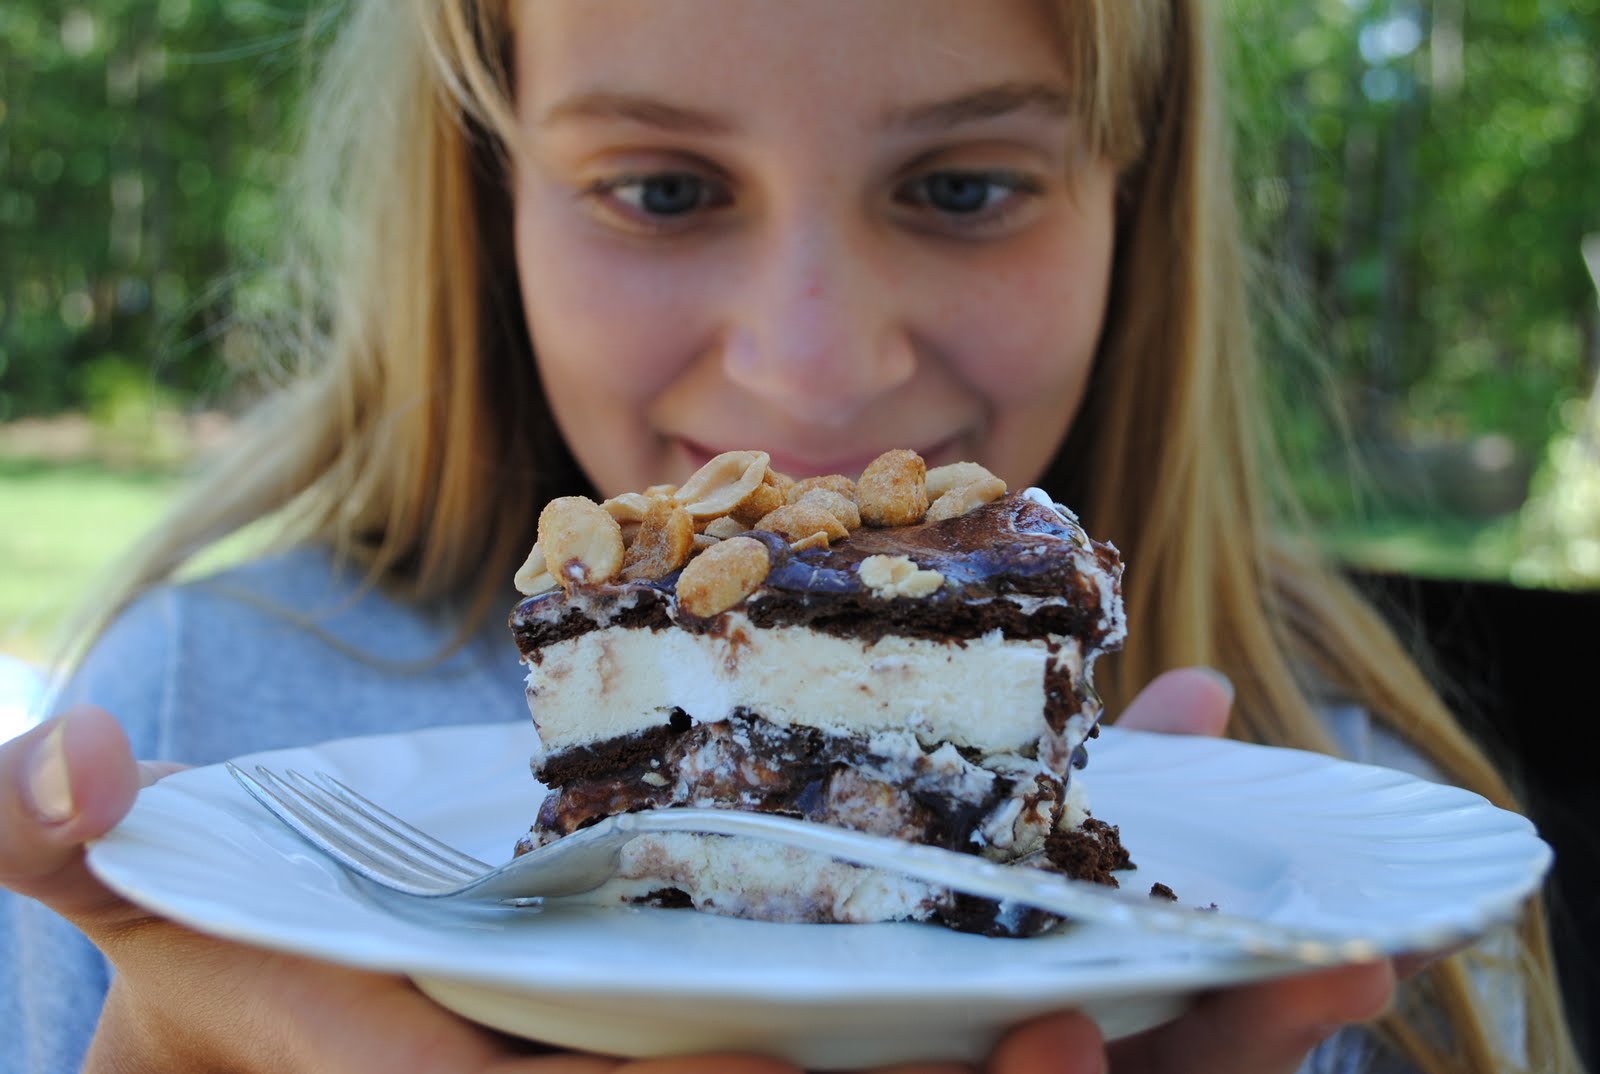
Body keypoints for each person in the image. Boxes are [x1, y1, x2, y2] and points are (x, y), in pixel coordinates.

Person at [0, 2, 1584, 1072]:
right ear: (488, 193)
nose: (814, 368)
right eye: (668, 188)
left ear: (1133, 191)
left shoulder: (1364, 854)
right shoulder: (196, 744)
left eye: (964, 184)